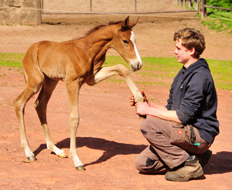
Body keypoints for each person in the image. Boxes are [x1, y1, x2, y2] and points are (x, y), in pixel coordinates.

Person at [130, 28, 219, 182]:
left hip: (199, 139)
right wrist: (146, 103)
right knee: (144, 164)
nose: (174, 52)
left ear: (191, 50)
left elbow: (181, 116)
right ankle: (196, 157)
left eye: (178, 48)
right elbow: (170, 109)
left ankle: (190, 164)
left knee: (148, 125)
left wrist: (148, 111)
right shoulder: (183, 73)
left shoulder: (199, 77)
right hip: (184, 135)